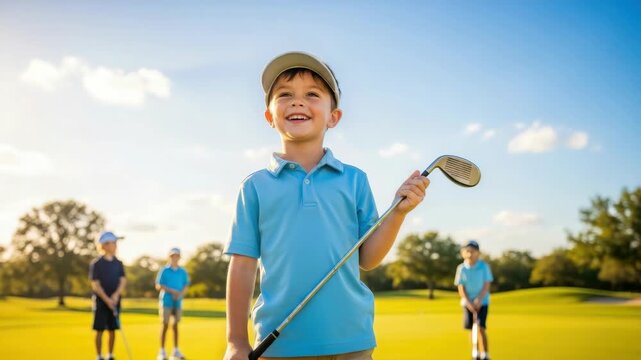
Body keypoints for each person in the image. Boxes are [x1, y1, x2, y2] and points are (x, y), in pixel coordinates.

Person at [223, 51, 430, 360]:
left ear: (334, 116)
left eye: (312, 94)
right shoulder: (254, 187)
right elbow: (242, 265)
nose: (297, 101)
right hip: (278, 346)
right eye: (284, 95)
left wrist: (397, 213)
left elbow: (368, 258)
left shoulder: (355, 180)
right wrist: (237, 341)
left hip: (352, 341)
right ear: (269, 116)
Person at [89, 231, 127, 360]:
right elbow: (95, 284)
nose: (116, 245)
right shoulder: (96, 264)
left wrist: (115, 296)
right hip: (100, 301)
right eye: (113, 243)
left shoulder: (118, 263)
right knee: (99, 329)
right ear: (104, 245)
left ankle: (110, 355)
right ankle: (99, 356)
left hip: (115, 300)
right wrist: (106, 299)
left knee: (113, 329)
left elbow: (122, 280)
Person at [454, 240, 494, 360]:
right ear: (463, 253)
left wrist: (479, 299)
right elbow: (461, 287)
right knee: (472, 328)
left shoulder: (483, 266)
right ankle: (475, 352)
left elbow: (486, 284)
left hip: (483, 301)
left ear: (478, 253)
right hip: (467, 302)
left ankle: (485, 354)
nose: (470, 254)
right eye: (468, 251)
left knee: (481, 327)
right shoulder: (461, 268)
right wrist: (468, 302)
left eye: (473, 251)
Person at [156, 247, 190, 360]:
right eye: (172, 256)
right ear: (169, 257)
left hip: (178, 302)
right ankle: (162, 351)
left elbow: (186, 285)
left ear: (179, 257)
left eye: (176, 256)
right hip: (166, 301)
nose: (175, 258)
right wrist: (172, 291)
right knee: (165, 325)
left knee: (175, 326)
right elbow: (158, 285)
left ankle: (175, 350)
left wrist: (180, 294)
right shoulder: (164, 270)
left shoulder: (183, 271)